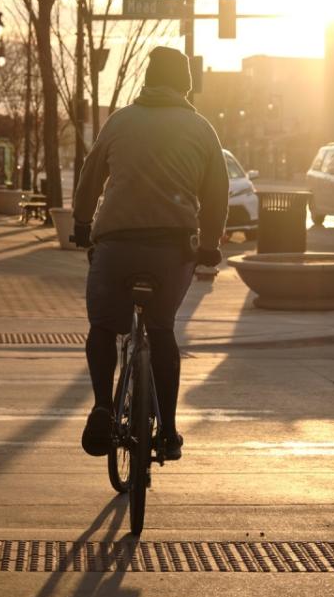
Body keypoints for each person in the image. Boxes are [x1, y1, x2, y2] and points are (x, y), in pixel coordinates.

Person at [72, 46, 229, 462]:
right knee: (161, 329)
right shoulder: (201, 129)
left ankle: (104, 407)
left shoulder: (119, 121)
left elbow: (91, 175)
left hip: (117, 244)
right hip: (172, 247)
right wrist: (211, 242)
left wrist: (81, 224)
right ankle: (170, 432)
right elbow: (217, 194)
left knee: (104, 326)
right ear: (186, 85)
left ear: (147, 79)